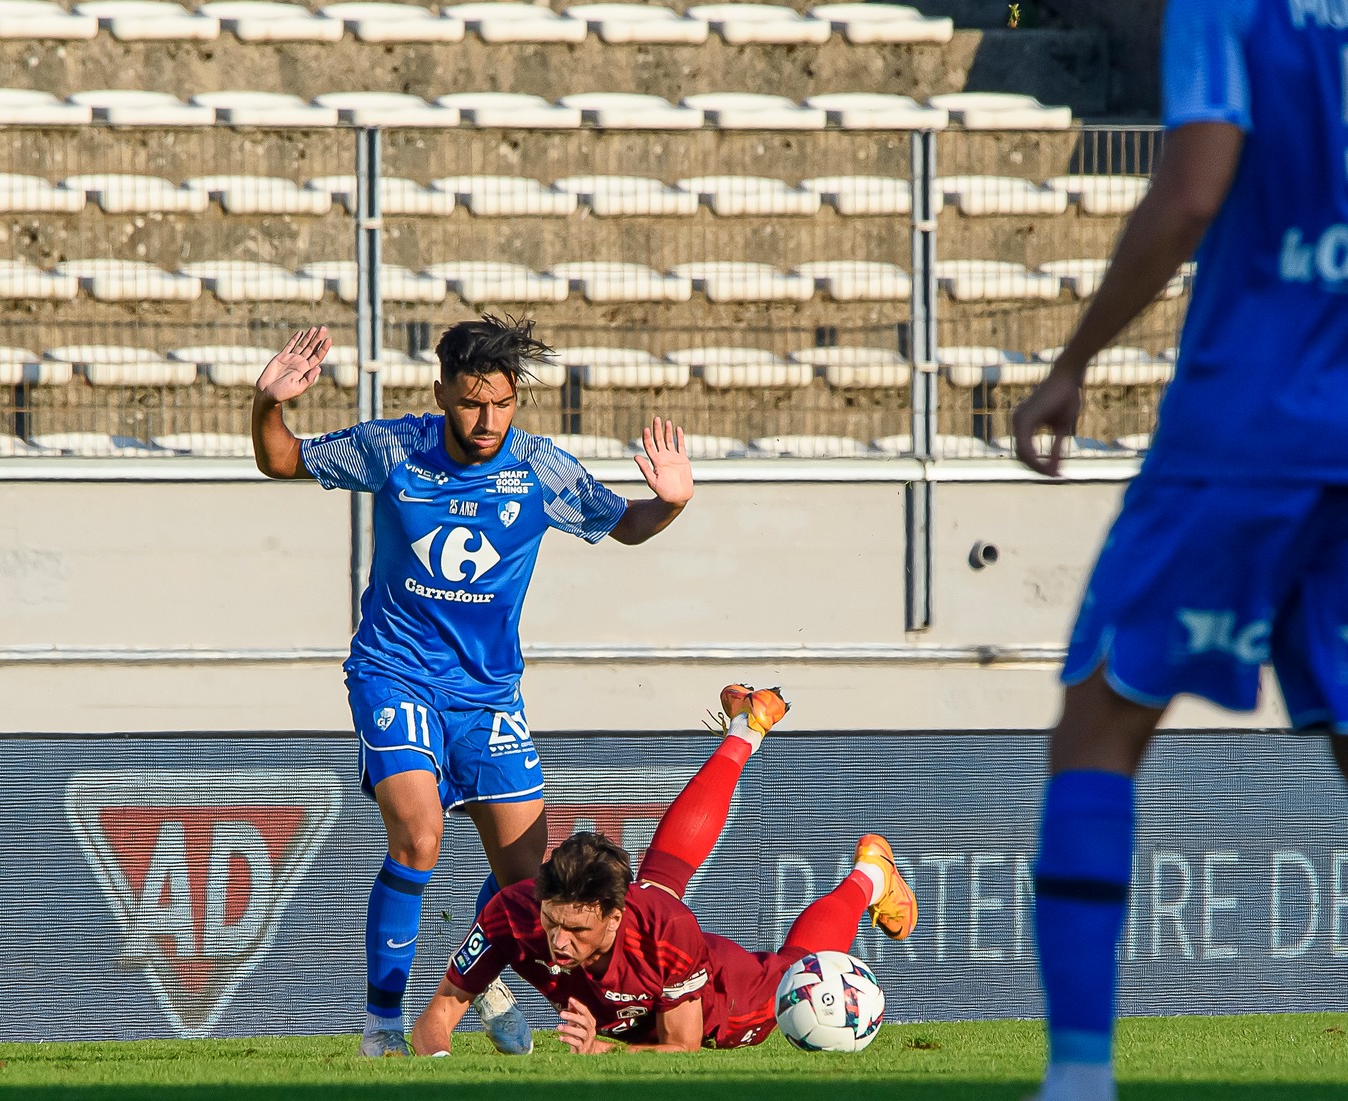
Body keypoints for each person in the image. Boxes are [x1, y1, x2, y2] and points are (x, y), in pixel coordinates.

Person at [912, 0, 1348, 1101]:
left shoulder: (1233, 8)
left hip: (1237, 435)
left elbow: (1187, 193)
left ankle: (1077, 1095)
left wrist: (1069, 364)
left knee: (1099, 716)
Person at [251, 316, 696, 1058]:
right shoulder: (394, 447)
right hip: (393, 672)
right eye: (469, 404)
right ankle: (382, 1026)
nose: (486, 420)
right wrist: (268, 406)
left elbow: (624, 524)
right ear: (441, 393)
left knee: (530, 887)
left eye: (500, 404)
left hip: (487, 695)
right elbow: (282, 460)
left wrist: (670, 503)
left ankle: (481, 977)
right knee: (420, 836)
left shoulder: (541, 468)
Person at [410, 685, 918, 1055]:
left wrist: (602, 1053)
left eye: (575, 929)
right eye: (553, 922)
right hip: (649, 926)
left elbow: (683, 1045)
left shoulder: (664, 932)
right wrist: (438, 1065)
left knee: (796, 971)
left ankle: (869, 878)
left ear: (614, 915)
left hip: (725, 999)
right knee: (662, 881)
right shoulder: (514, 913)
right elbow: (440, 1012)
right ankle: (745, 728)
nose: (558, 942)